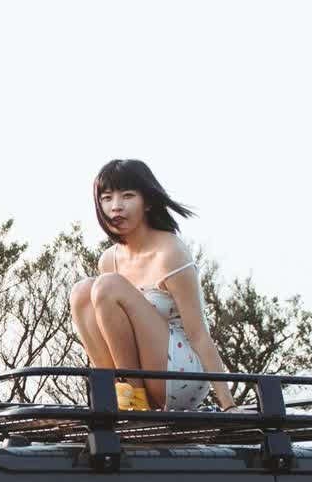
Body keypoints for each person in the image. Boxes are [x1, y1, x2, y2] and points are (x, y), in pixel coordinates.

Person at [67, 158, 235, 412]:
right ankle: (116, 394)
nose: (116, 207)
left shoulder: (169, 252)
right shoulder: (109, 260)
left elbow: (199, 334)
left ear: (147, 202)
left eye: (127, 196)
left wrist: (228, 405)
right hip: (140, 376)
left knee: (107, 285)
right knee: (82, 292)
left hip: (181, 373)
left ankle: (133, 400)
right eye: (106, 198)